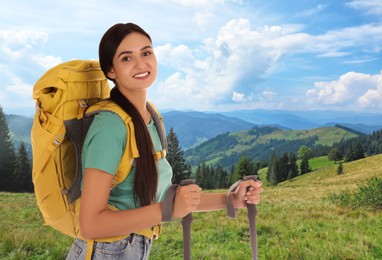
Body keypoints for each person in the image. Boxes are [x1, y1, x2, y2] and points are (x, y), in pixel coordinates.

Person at [66, 22, 263, 260]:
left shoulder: (150, 117)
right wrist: (166, 211)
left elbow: (163, 196)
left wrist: (232, 200)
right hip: (106, 252)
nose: (141, 64)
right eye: (126, 58)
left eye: (146, 52)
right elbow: (90, 225)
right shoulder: (110, 126)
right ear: (111, 70)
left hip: (130, 249)